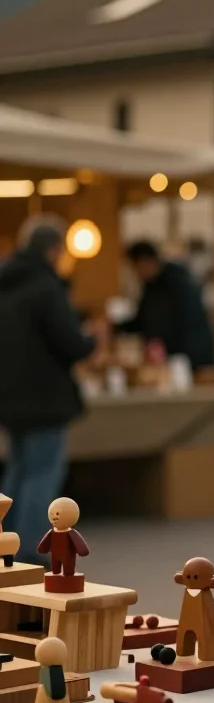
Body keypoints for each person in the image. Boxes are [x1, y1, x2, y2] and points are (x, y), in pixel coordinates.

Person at [0, 216, 95, 564]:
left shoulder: (5, 283)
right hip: (44, 396)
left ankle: (6, 543)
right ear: (54, 249)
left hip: (9, 396)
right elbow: (69, 342)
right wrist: (91, 339)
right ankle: (30, 551)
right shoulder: (46, 287)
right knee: (42, 474)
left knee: (18, 471)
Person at [121, 240, 214, 371]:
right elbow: (143, 320)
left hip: (189, 357)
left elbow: (173, 322)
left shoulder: (177, 282)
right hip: (171, 356)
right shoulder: (151, 286)